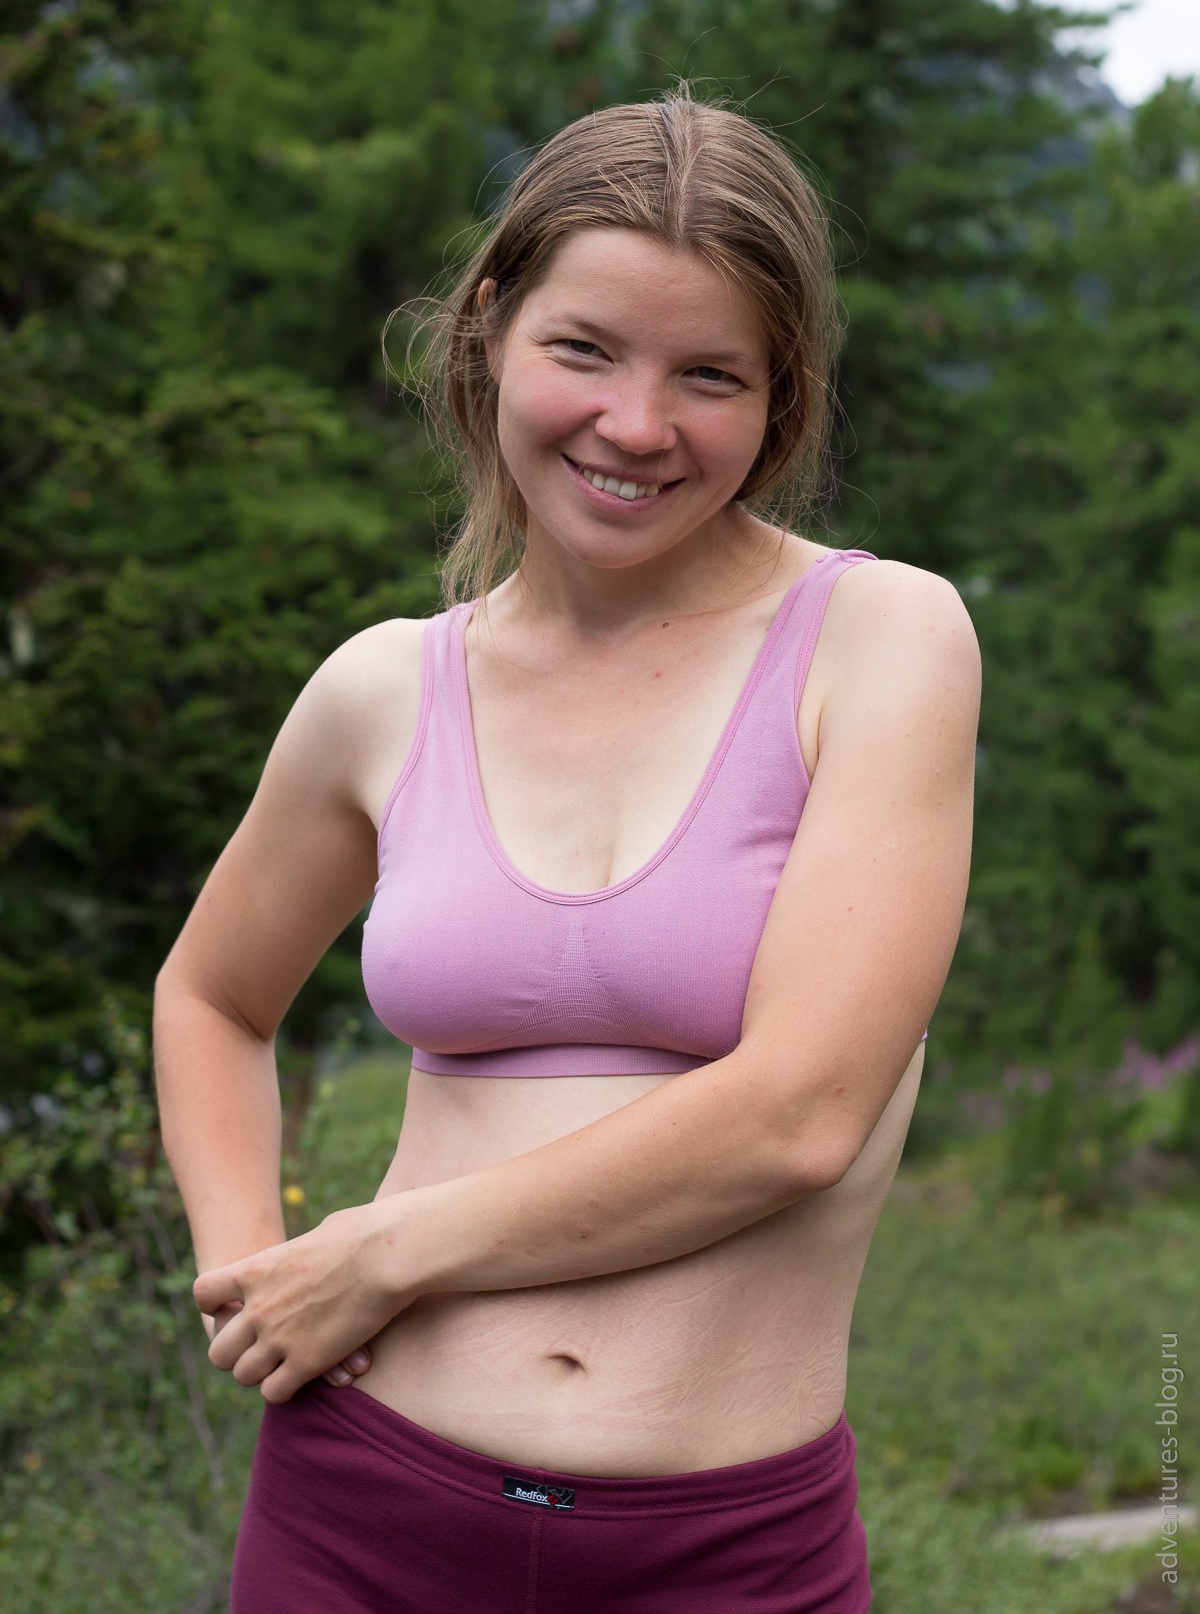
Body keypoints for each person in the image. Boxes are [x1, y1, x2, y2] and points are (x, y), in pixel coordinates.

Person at [154, 87, 981, 1613]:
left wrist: (380, 1256)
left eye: (709, 374)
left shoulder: (878, 641)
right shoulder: (385, 689)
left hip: (727, 1555)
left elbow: (801, 1116)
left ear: (783, 398)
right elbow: (211, 996)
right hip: (357, 1517)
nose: (637, 424)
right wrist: (250, 1272)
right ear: (488, 330)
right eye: (586, 349)